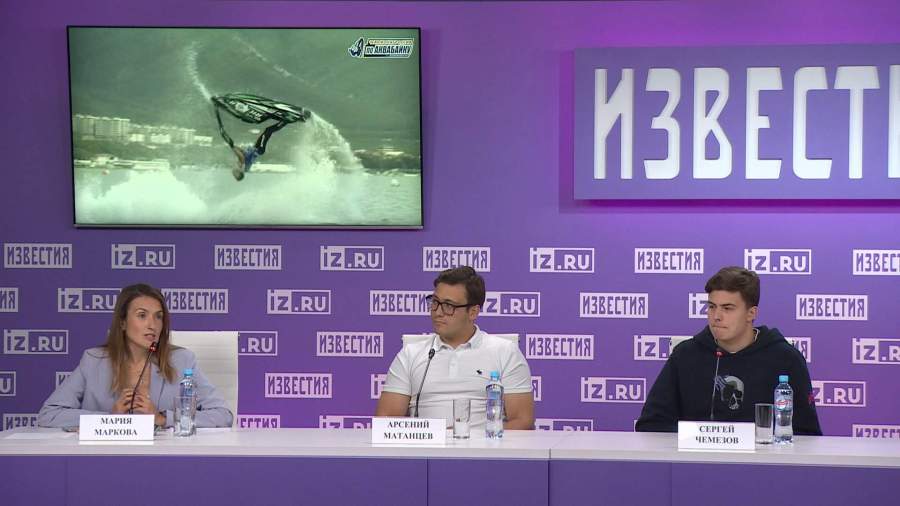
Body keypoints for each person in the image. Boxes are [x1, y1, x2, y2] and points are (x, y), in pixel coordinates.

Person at [635, 266, 821, 434]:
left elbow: (807, 434)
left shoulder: (785, 358)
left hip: (763, 460)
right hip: (696, 460)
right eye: (712, 307)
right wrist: (697, 438)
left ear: (751, 313)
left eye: (727, 308)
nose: (716, 316)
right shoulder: (685, 355)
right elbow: (651, 424)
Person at [38, 283, 233, 429]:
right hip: (105, 457)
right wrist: (108, 419)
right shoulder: (93, 360)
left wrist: (163, 419)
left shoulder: (182, 361)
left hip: (164, 458)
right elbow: (49, 414)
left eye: (158, 316)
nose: (152, 325)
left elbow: (223, 415)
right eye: (142, 315)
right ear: (122, 322)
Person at [376, 267, 535, 429]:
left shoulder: (505, 352)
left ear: (473, 312)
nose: (437, 312)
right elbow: (386, 420)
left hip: (485, 444)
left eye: (448, 305)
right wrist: (436, 436)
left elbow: (522, 421)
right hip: (426, 444)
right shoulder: (411, 354)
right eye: (435, 302)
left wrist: (465, 436)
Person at [211, 93, 311, 181]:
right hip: (259, 149)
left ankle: (287, 119)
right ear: (238, 174)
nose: (233, 174)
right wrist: (233, 147)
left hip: (257, 148)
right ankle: (289, 119)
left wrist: (233, 146)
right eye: (235, 175)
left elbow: (242, 153)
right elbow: (241, 157)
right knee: (269, 131)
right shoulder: (241, 166)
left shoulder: (241, 167)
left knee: (268, 130)